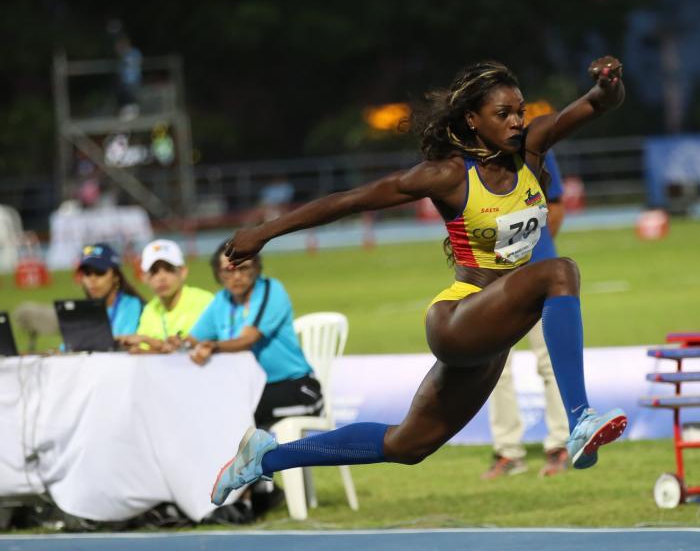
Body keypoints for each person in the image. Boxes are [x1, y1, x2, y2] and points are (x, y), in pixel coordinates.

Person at [208, 57, 629, 506]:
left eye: (519, 111)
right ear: (472, 120)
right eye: (502, 114)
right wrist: (264, 232)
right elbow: (351, 201)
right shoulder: (448, 175)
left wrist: (609, 83)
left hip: (494, 331)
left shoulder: (533, 147)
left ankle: (263, 458)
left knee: (408, 445)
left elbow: (596, 104)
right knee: (561, 271)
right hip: (457, 321)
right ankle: (579, 419)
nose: (516, 122)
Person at [483, 115, 571, 479]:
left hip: (538, 273)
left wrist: (527, 251)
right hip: (491, 277)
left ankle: (561, 445)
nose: (514, 119)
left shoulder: (534, 145)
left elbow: (558, 207)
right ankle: (508, 452)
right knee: (494, 368)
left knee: (550, 361)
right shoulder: (469, 157)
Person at [184, 240, 323, 429]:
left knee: (232, 409)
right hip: (251, 389)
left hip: (297, 389)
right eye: (228, 270)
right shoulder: (221, 300)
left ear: (257, 268)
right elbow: (191, 341)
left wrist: (214, 346)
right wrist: (164, 345)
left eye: (244, 268)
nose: (237, 276)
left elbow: (248, 340)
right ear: (218, 273)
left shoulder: (270, 289)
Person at [119, 239, 214, 353]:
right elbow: (143, 352)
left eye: (169, 269)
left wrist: (148, 342)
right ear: (144, 277)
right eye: (154, 271)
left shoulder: (205, 302)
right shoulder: (150, 310)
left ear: (183, 272)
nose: (161, 277)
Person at [76, 243, 145, 336]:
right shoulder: (85, 311)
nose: (92, 280)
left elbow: (125, 344)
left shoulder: (132, 305)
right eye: (87, 273)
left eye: (100, 272)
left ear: (116, 276)